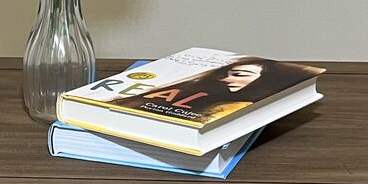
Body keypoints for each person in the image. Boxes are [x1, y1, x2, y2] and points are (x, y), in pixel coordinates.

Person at [111, 58, 318, 123]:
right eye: (226, 74)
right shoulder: (203, 94)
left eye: (239, 74)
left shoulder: (238, 106)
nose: (227, 79)